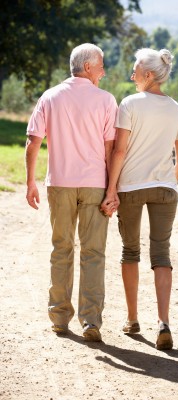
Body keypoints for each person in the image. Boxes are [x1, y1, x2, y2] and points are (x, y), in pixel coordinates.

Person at [25, 43, 118, 342]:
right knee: (94, 252)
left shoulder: (50, 97)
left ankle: (59, 318)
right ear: (88, 67)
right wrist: (112, 189)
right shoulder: (106, 100)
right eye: (101, 65)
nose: (103, 71)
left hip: (60, 184)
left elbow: (33, 140)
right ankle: (90, 322)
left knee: (61, 249)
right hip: (94, 184)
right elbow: (110, 150)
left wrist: (30, 182)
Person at [101, 48, 178, 350]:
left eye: (136, 71)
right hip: (166, 189)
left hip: (131, 187)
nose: (132, 75)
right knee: (161, 255)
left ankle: (132, 318)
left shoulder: (129, 104)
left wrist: (111, 189)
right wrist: (166, 183)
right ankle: (164, 322)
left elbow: (120, 151)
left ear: (149, 75)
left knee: (130, 251)